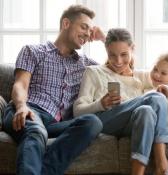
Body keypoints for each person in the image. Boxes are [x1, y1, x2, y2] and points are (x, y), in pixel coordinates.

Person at [2, 5, 106, 175]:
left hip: (55, 124)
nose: (88, 34)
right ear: (66, 23)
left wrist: (105, 38)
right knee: (36, 131)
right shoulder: (33, 51)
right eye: (84, 27)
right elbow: (21, 84)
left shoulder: (86, 64)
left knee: (92, 122)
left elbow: (122, 67)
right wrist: (21, 106)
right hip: (28, 111)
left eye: (90, 30)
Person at [73, 28, 168, 175]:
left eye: (124, 55)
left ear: (132, 49)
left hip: (131, 125)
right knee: (156, 97)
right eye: (112, 55)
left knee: (146, 111)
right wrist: (100, 104)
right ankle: (163, 166)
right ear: (106, 51)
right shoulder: (93, 72)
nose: (118, 61)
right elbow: (77, 111)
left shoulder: (144, 76)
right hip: (105, 122)